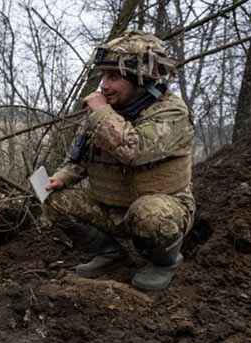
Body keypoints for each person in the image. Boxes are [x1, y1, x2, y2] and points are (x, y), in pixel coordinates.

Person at [45, 31, 196, 291]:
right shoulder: (106, 113)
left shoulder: (171, 112)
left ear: (140, 79)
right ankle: (110, 254)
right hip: (111, 209)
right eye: (103, 76)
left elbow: (133, 150)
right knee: (52, 200)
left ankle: (165, 261)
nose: (104, 85)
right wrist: (61, 177)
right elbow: (78, 160)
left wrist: (101, 113)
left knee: (149, 215)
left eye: (113, 77)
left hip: (162, 208)